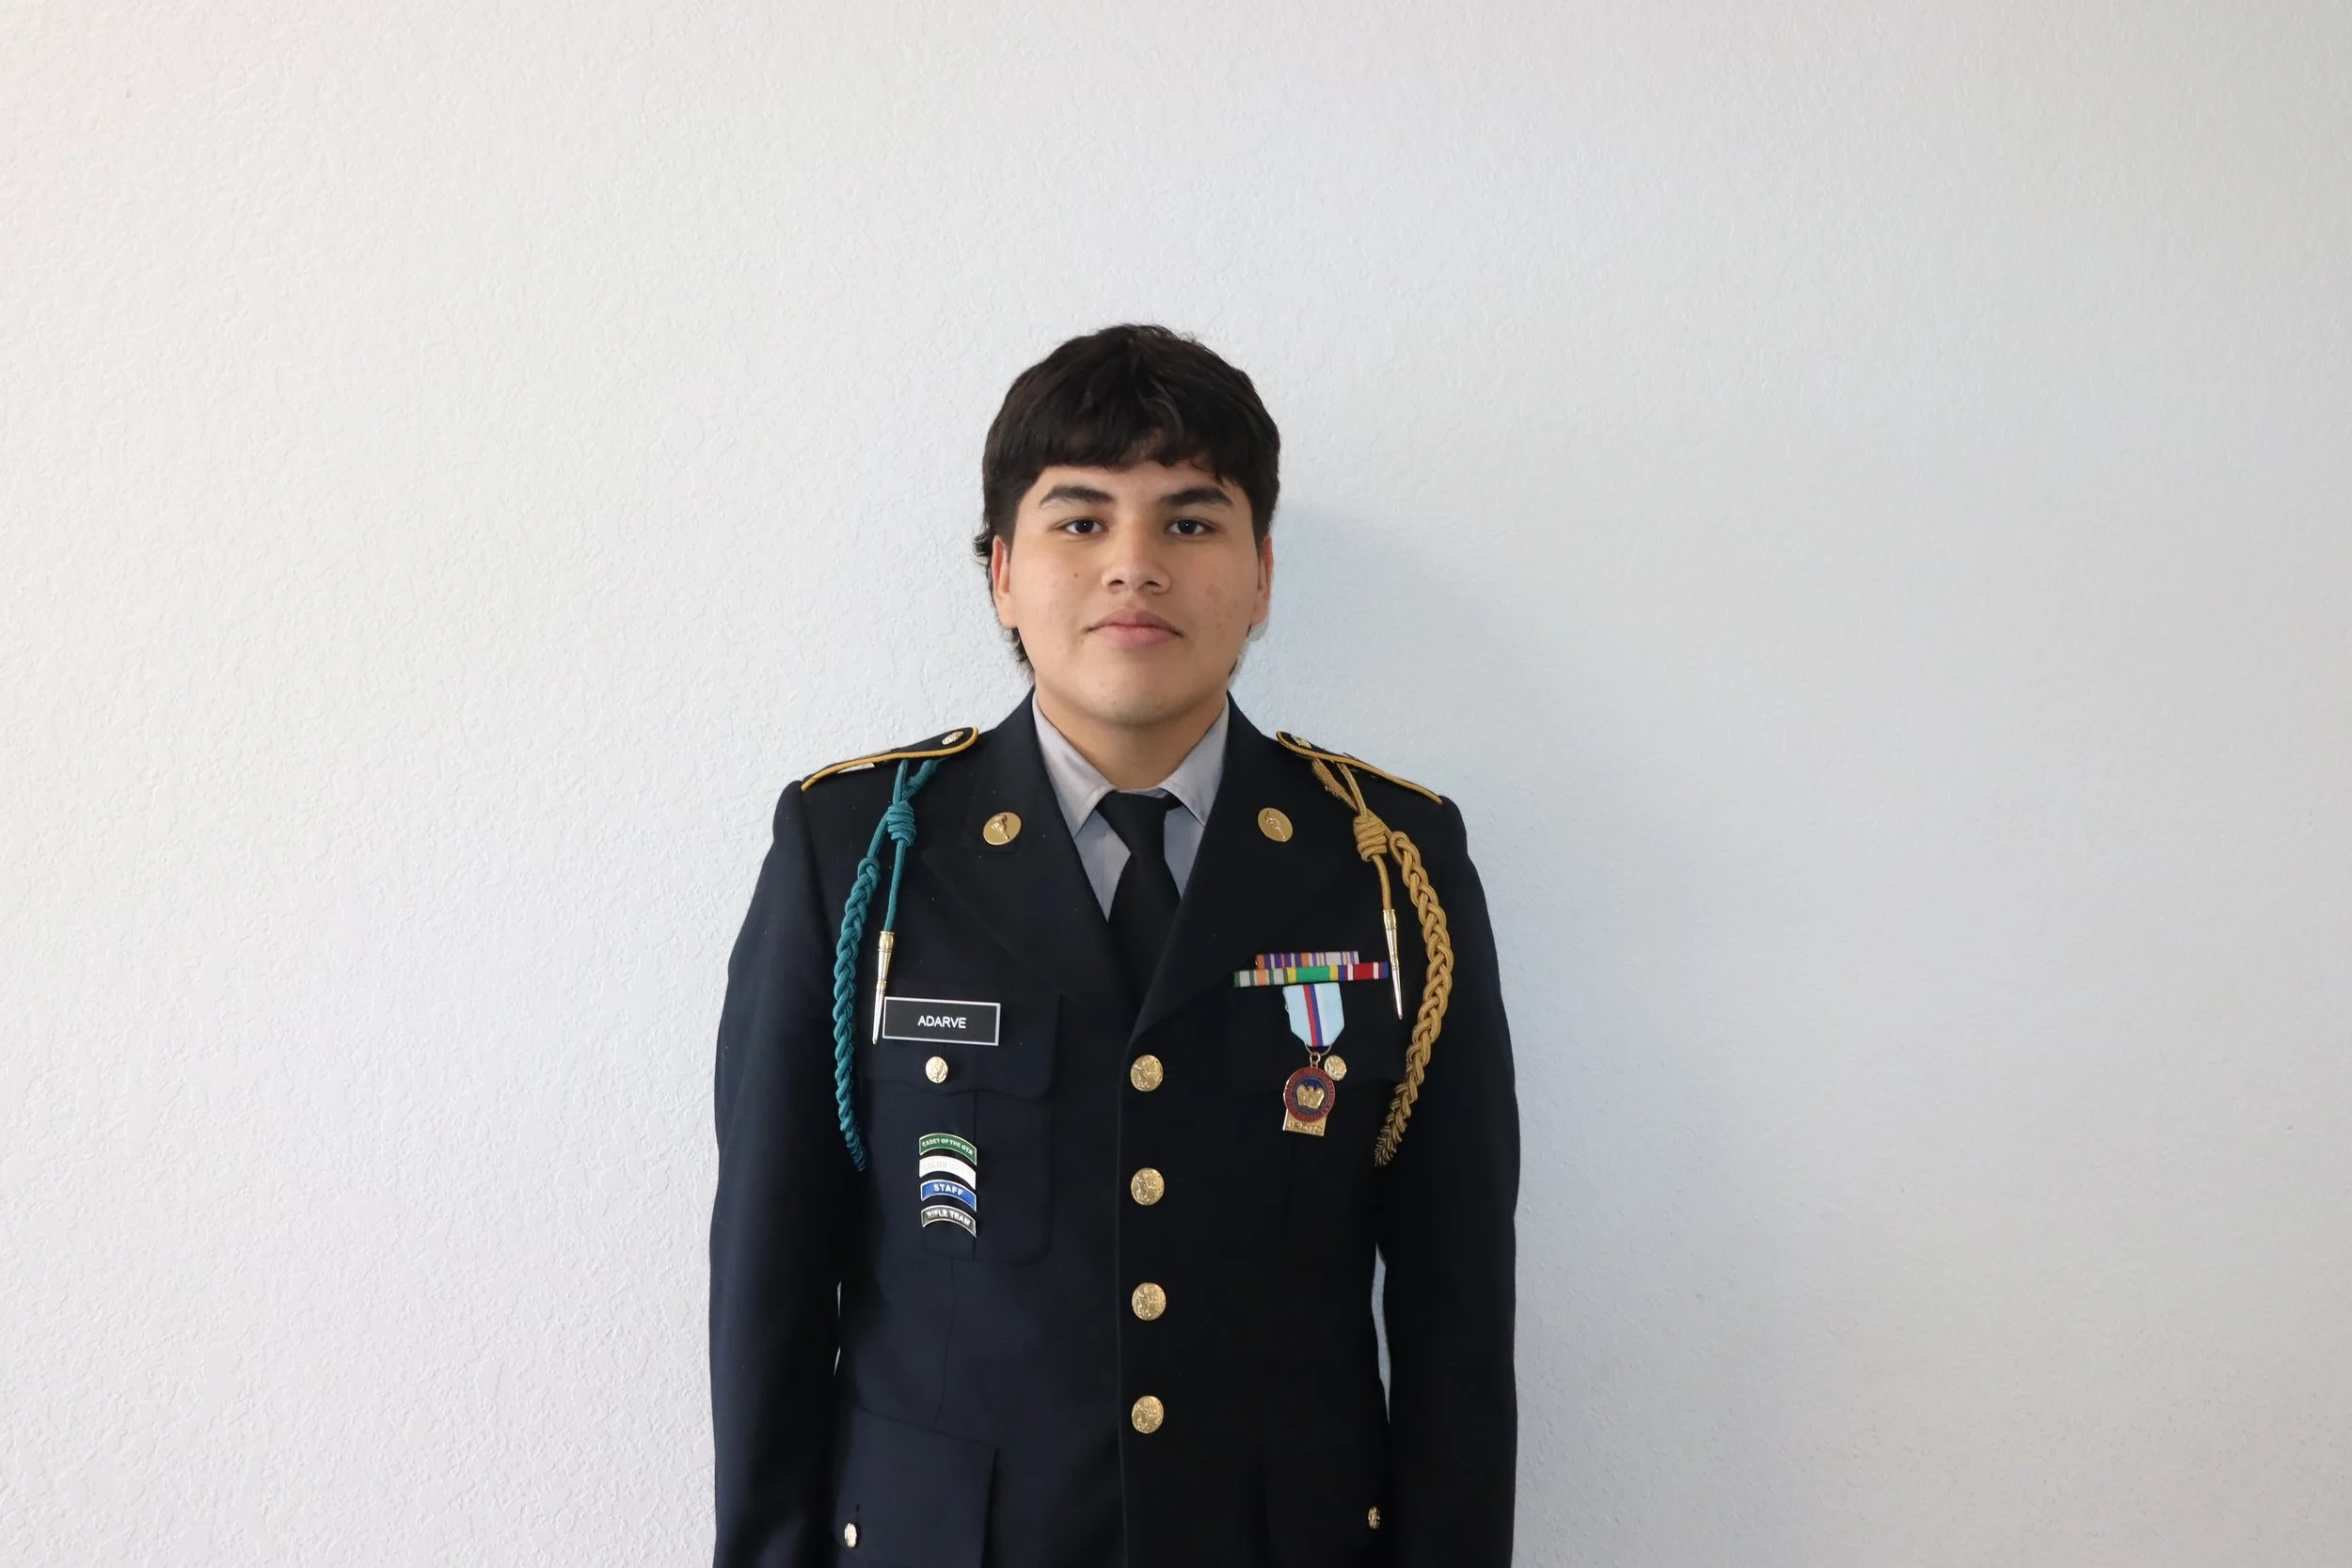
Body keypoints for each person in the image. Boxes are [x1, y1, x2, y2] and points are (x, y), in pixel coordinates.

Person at [709, 324, 1520, 1568]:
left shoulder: (1390, 866)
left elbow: (1456, 1314)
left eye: (1190, 523)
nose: (1133, 566)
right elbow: (768, 1283)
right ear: (999, 574)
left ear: (1261, 576)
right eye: (1080, 521)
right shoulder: (859, 854)